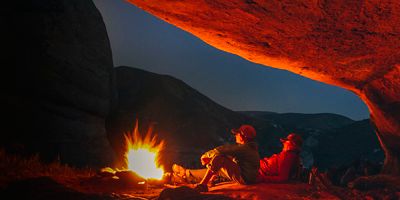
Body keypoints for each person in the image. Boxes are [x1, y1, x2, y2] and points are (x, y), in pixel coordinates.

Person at [171, 124, 260, 192]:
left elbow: (222, 150)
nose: (235, 135)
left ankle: (202, 185)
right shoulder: (250, 148)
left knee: (219, 158)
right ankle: (187, 173)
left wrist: (206, 156)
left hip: (245, 178)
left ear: (242, 136)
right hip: (247, 177)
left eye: (237, 134)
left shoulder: (244, 148)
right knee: (218, 164)